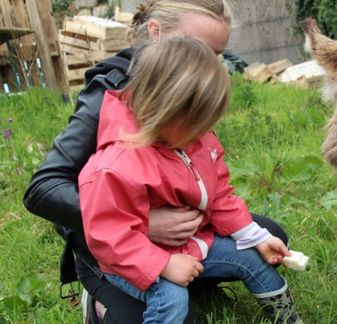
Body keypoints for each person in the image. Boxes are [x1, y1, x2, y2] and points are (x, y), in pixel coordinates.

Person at [22, 1, 289, 323]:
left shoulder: (190, 93)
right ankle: (101, 300)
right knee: (173, 312)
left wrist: (252, 234)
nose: (212, 65)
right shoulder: (112, 94)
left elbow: (212, 182)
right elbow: (42, 189)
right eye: (199, 48)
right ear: (155, 34)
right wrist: (142, 222)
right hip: (113, 245)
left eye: (218, 54)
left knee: (269, 237)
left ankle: (191, 280)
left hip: (182, 239)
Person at [78, 36, 301, 324]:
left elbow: (220, 194)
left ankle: (289, 319)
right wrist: (164, 264)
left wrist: (256, 237)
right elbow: (109, 237)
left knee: (251, 258)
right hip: (130, 262)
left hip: (189, 244)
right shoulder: (116, 166)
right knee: (171, 297)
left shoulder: (195, 142)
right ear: (162, 112)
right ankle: (104, 303)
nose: (205, 132)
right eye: (197, 123)